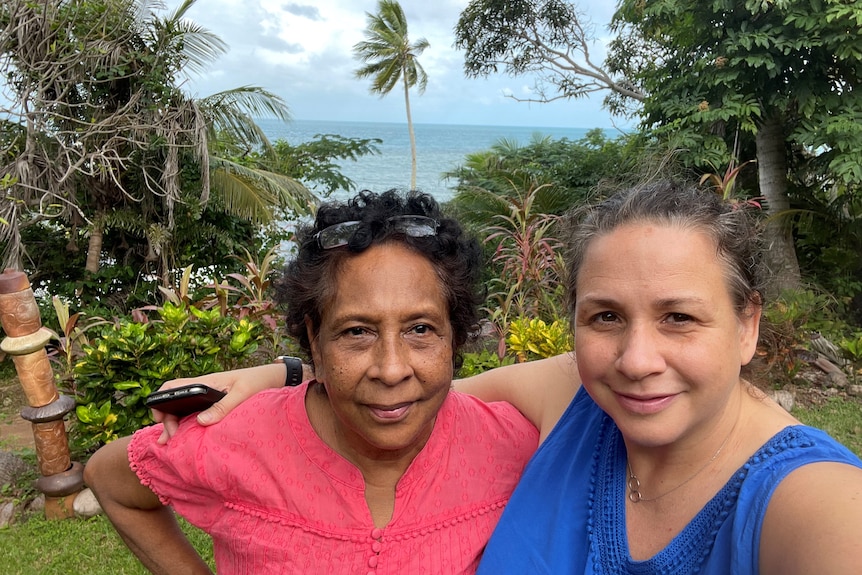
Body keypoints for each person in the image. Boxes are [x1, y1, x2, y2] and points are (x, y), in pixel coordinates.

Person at [168, 181, 862, 573]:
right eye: (606, 316)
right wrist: (294, 368)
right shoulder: (580, 398)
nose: (638, 357)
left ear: (747, 325)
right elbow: (410, 389)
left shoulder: (811, 503)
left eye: (680, 316)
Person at [83, 190, 539, 575]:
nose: (392, 368)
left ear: (454, 336)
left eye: (420, 329)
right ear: (314, 342)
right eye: (356, 332)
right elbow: (110, 477)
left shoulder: (515, 446)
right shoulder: (237, 440)